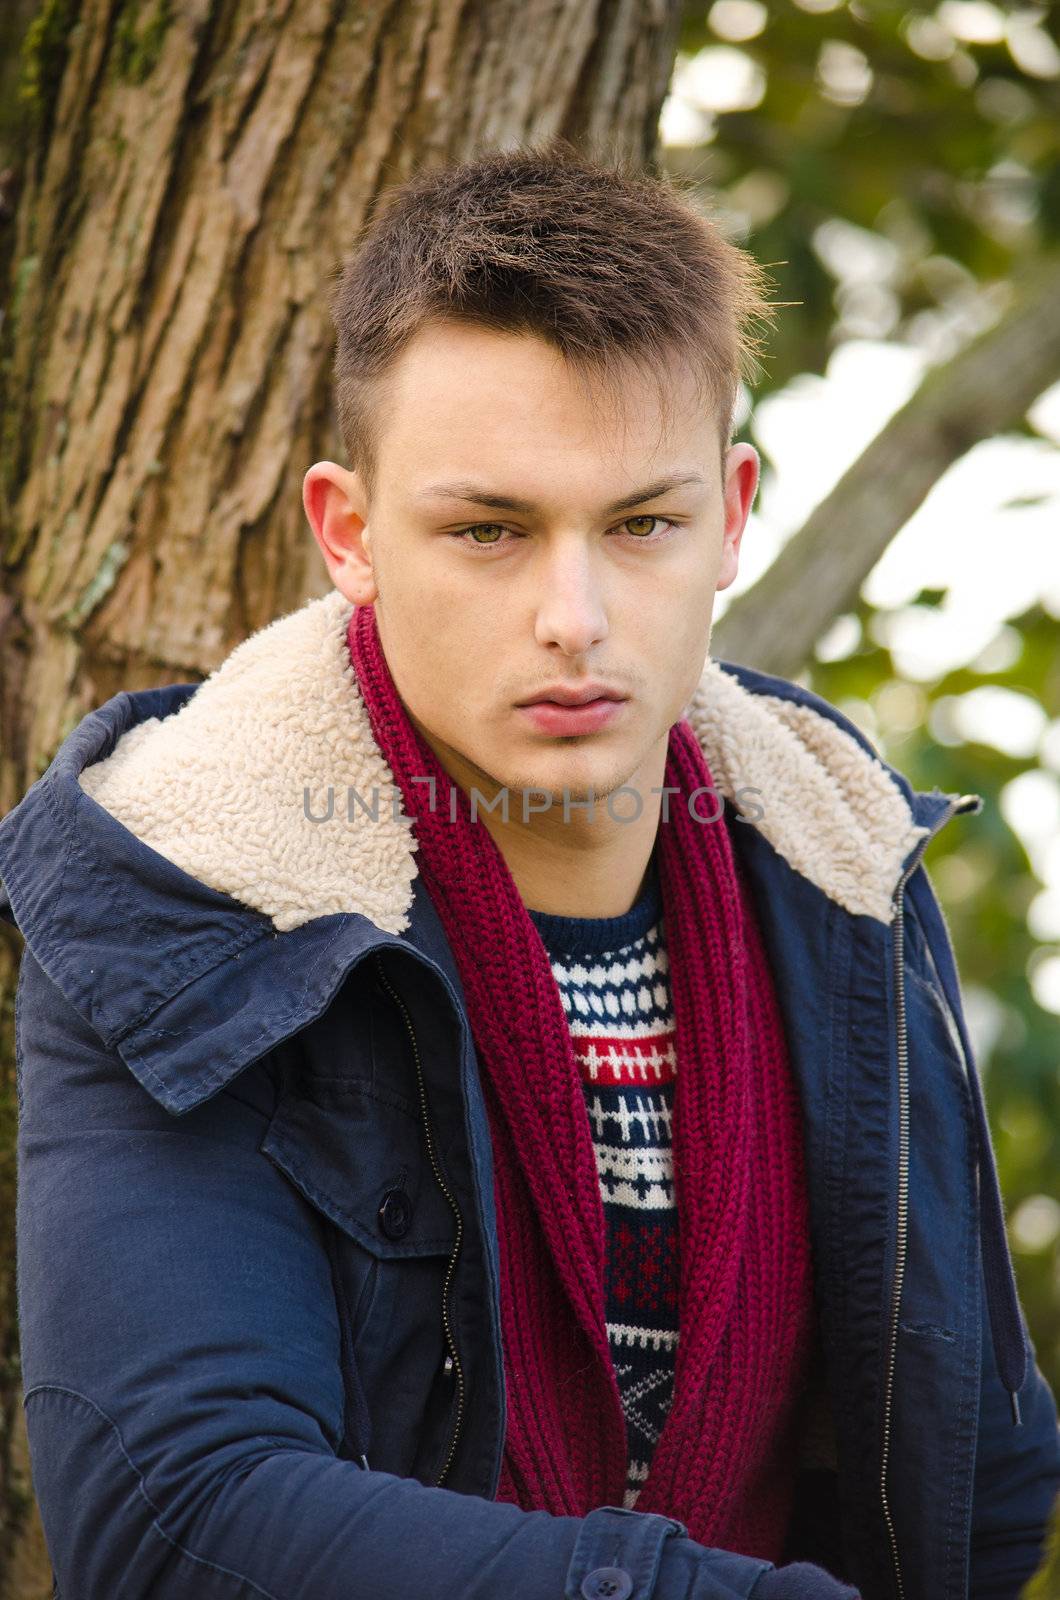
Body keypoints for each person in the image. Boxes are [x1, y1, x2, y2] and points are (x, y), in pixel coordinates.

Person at [1, 139, 1056, 1600]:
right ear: (350, 534)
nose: (575, 615)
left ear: (734, 516)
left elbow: (977, 1471)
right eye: (488, 531)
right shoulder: (186, 885)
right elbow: (178, 1519)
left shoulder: (846, 860)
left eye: (642, 526)